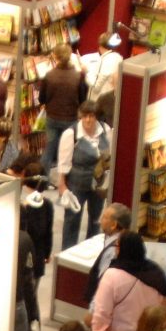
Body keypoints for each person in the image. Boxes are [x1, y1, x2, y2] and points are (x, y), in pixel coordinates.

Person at [90, 232, 166, 331]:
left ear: (123, 249)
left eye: (117, 246)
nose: (116, 250)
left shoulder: (112, 276)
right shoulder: (155, 272)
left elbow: (102, 313)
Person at [55, 105, 111, 246]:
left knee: (95, 220)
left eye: (91, 116)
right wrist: (62, 185)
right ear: (80, 116)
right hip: (77, 184)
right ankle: (67, 256)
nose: (88, 119)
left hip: (98, 186)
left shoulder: (105, 130)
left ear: (96, 116)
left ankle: (90, 251)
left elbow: (110, 155)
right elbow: (64, 162)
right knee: (72, 221)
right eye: (85, 116)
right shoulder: (71, 134)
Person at [37, 51, 87, 168]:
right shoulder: (78, 76)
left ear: (56, 57)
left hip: (52, 117)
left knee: (49, 149)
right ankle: (65, 180)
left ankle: (42, 179)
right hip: (71, 118)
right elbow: (82, 99)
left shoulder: (49, 75)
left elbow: (41, 98)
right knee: (68, 151)